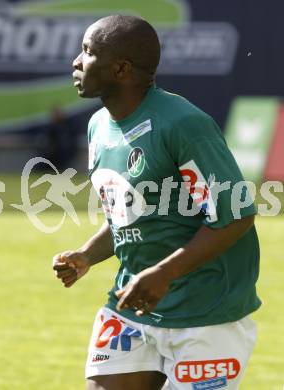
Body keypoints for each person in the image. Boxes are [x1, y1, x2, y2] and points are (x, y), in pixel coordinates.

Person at [52, 15, 261, 390]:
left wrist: (164, 273)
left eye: (87, 52)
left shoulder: (183, 125)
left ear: (120, 69)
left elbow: (236, 215)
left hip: (206, 312)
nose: (77, 62)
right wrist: (86, 255)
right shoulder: (98, 126)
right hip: (134, 304)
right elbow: (129, 214)